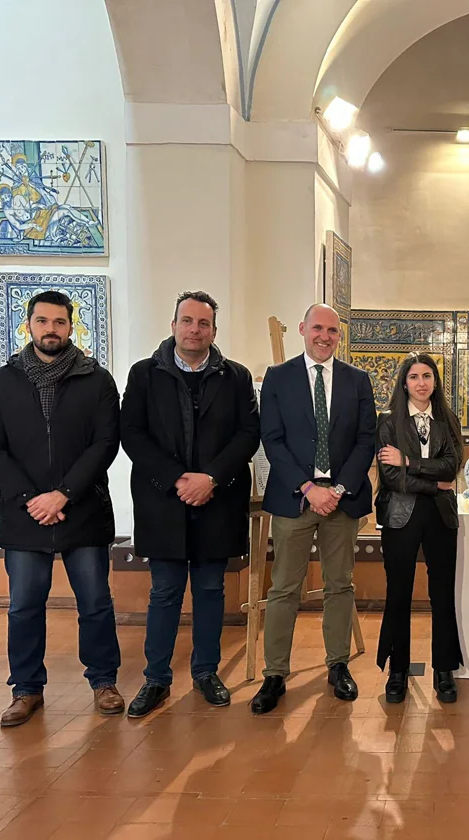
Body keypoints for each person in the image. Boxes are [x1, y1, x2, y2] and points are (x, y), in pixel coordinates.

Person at [0, 290, 124, 726]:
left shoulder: (96, 379)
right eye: (42, 321)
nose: (51, 330)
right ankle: (25, 689)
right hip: (24, 514)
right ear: (28, 325)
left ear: (71, 326)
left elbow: (105, 443)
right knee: (24, 605)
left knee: (95, 602)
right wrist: (30, 499)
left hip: (82, 509)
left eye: (59, 322)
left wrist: (63, 494)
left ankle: (103, 680)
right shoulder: (2, 381)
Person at [120, 292, 260, 718]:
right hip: (164, 500)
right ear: (173, 325)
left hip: (217, 499)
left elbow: (246, 434)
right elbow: (132, 434)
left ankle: (205, 673)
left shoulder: (235, 376)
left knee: (211, 590)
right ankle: (156, 679)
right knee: (163, 593)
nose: (194, 329)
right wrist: (178, 479)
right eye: (187, 321)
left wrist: (210, 478)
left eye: (203, 323)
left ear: (214, 331)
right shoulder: (144, 374)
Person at [252, 303, 376, 713]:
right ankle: (275, 673)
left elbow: (365, 440)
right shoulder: (278, 377)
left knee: (340, 585)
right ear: (303, 329)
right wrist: (308, 488)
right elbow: (272, 439)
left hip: (342, 499)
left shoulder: (357, 381)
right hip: (294, 498)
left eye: (333, 331)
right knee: (284, 587)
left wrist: (336, 489)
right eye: (318, 328)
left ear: (340, 336)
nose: (324, 337)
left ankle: (338, 665)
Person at [375, 353, 464, 704]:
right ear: (404, 382)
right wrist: (433, 484)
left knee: (442, 594)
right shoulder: (388, 422)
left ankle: (444, 670)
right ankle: (398, 671)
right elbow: (390, 476)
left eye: (428, 376)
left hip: (441, 517)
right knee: (399, 592)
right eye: (414, 376)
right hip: (400, 515)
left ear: (435, 382)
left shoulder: (447, 419)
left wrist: (410, 461)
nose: (422, 382)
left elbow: (451, 468)